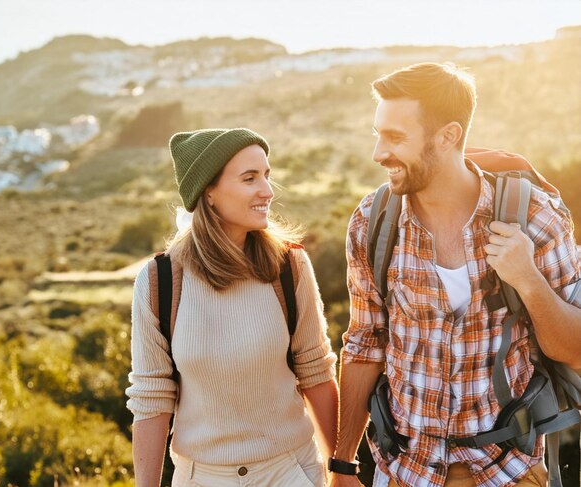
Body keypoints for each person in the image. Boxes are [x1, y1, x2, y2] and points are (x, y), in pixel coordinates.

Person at [328, 63, 581, 487]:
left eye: (395, 137)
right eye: (378, 134)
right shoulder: (371, 222)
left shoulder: (535, 218)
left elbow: (574, 350)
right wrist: (342, 464)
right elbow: (364, 345)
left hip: (510, 472)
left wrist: (528, 280)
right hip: (406, 472)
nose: (378, 153)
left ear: (448, 136)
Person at [126, 127, 339, 486]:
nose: (267, 191)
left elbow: (316, 371)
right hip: (201, 477)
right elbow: (151, 400)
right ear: (208, 192)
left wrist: (342, 468)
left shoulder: (290, 266)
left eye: (267, 176)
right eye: (249, 178)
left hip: (290, 472)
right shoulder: (159, 281)